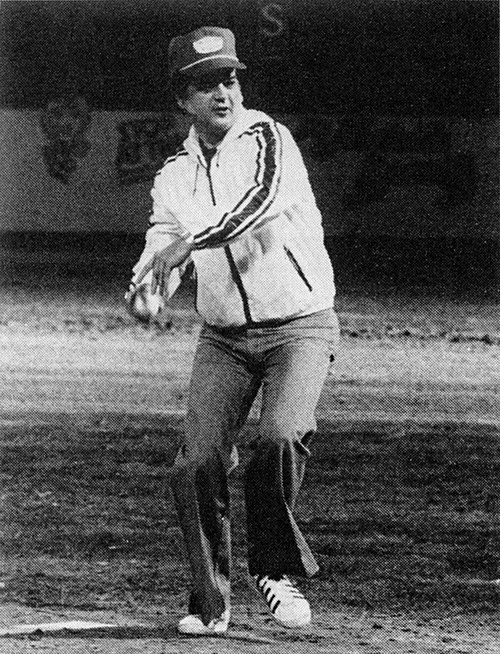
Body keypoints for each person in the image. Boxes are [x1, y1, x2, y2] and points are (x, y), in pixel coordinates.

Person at [126, 25, 339, 636]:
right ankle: (208, 600)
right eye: (207, 83)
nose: (224, 91)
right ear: (182, 100)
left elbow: (255, 205)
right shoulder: (174, 173)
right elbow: (161, 245)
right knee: (196, 461)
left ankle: (275, 569)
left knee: (280, 436)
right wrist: (149, 288)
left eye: (230, 77)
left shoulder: (271, 139)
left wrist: (185, 245)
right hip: (222, 338)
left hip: (300, 326)